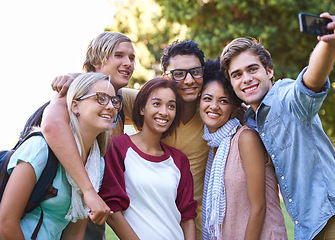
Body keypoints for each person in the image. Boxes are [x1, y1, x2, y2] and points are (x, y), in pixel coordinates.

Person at [220, 12, 335, 240]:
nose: (245, 78)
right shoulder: (253, 121)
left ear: (269, 71)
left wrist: (328, 43)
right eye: (237, 75)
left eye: (252, 69)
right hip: (306, 231)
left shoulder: (285, 97)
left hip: (333, 226)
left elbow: (311, 82)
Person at [0, 73, 118, 239]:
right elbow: (5, 224)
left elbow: (75, 233)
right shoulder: (40, 148)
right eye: (101, 98)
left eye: (114, 100)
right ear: (75, 106)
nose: (111, 106)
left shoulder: (95, 163)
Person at [41, 32, 136, 238]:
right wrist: (88, 191)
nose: (128, 63)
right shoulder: (76, 91)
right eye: (118, 55)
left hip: (94, 210)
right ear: (95, 61)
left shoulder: (121, 99)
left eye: (131, 57)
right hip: (63, 201)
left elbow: (160, 98)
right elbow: (52, 126)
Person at [122, 39, 209, 239]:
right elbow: (102, 88)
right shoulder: (150, 106)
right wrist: (74, 78)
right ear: (166, 77)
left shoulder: (212, 114)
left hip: (199, 228)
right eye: (178, 74)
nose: (189, 80)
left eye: (195, 71)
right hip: (154, 228)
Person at [200, 58, 287, 239]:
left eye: (223, 101)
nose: (213, 106)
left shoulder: (245, 138)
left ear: (233, 107)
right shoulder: (213, 147)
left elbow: (259, 207)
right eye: (207, 98)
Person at [99, 78, 197, 240]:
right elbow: (112, 210)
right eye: (157, 104)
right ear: (142, 108)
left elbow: (187, 216)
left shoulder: (179, 160)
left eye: (171, 106)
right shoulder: (117, 148)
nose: (164, 112)